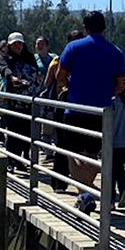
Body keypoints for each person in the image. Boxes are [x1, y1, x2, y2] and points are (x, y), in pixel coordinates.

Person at [56, 11, 125, 211]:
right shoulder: (115, 52)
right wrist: (106, 94)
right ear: (104, 28)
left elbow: (60, 75)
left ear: (85, 28)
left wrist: (70, 89)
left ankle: (84, 194)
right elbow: (121, 84)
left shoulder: (73, 47)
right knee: (93, 155)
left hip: (75, 109)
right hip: (101, 112)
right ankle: (86, 194)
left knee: (73, 154)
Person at [0, 32, 43, 170]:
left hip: (29, 100)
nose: (17, 46)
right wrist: (12, 78)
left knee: (27, 132)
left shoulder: (29, 57)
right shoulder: (5, 58)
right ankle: (12, 160)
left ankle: (21, 159)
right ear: (10, 45)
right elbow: (3, 68)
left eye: (20, 43)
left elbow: (35, 71)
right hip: (13, 101)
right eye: (14, 44)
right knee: (14, 132)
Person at [50, 30, 84, 193]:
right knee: (63, 144)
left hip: (77, 105)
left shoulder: (82, 60)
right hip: (64, 104)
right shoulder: (59, 60)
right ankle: (59, 182)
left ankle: (78, 182)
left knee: (77, 146)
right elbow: (52, 81)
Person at [111, 89, 125, 209]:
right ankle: (123, 188)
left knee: (110, 171)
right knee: (118, 166)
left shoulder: (112, 101)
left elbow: (111, 122)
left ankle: (111, 199)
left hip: (112, 140)